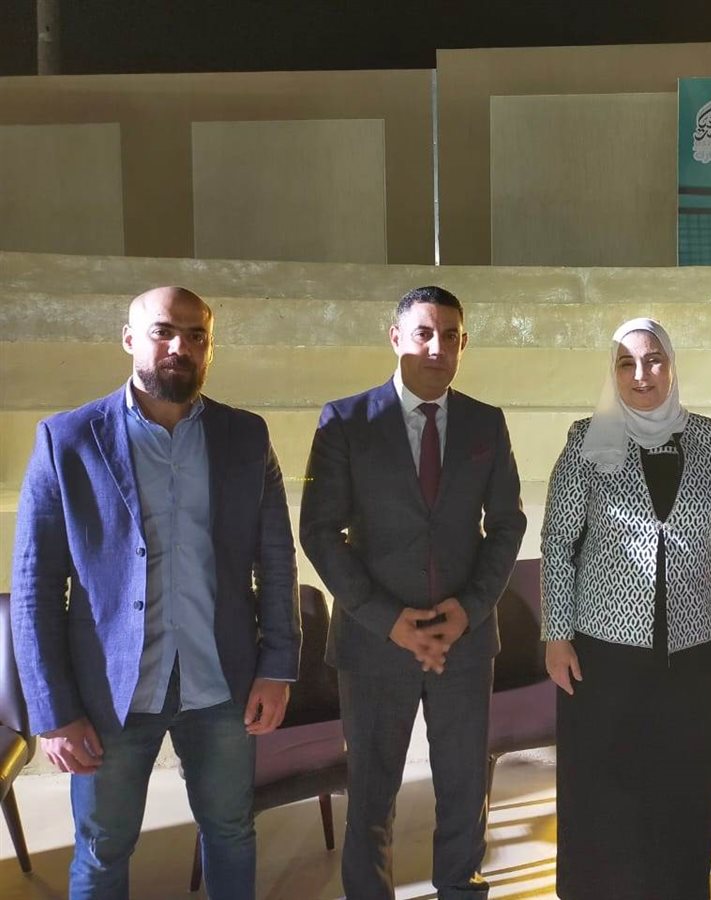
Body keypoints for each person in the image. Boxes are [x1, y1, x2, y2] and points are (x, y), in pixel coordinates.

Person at [11, 286, 300, 899]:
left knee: (231, 831)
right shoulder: (67, 440)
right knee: (102, 849)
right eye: (163, 331)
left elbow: (276, 560)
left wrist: (277, 666)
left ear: (210, 349)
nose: (180, 346)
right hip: (109, 695)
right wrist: (53, 711)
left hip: (220, 683)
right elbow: (35, 586)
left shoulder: (246, 436)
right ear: (129, 339)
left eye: (196, 336)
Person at [300, 285, 525, 900]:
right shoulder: (346, 421)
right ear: (396, 337)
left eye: (450, 336)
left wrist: (469, 610)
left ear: (463, 344)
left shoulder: (485, 422)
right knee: (371, 797)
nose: (436, 347)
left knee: (464, 792)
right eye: (424, 333)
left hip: (463, 643)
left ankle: (461, 890)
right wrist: (388, 619)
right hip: (374, 645)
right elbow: (319, 531)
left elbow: (507, 524)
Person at [540, 317, 711, 900]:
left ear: (672, 366)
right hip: (602, 647)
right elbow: (559, 541)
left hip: (695, 645)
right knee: (604, 779)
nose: (642, 374)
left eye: (654, 359)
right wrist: (556, 635)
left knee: (684, 779)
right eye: (626, 363)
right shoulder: (586, 439)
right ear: (612, 373)